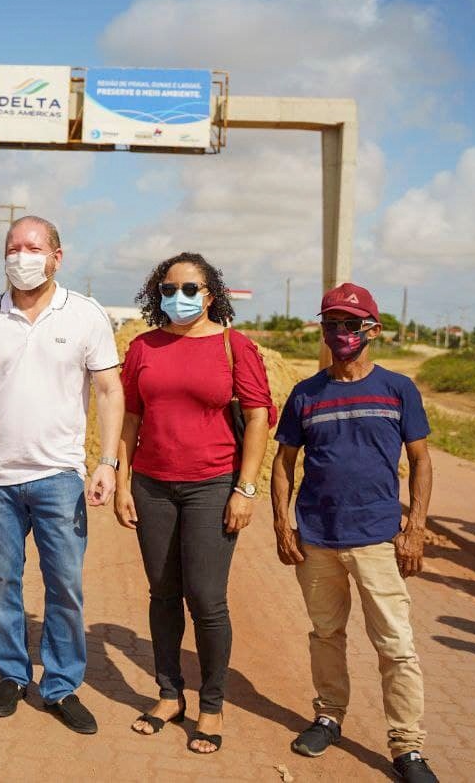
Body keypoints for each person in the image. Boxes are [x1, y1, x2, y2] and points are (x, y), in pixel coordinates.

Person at [0, 215, 125, 735]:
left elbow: (110, 391)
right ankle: (10, 674)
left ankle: (62, 684)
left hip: (59, 477)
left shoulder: (87, 315)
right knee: (1, 580)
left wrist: (107, 461)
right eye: (13, 247)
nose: (21, 257)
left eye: (33, 247)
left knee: (64, 584)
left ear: (56, 256)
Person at [271, 283, 438, 783]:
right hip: (318, 538)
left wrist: (417, 526)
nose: (340, 333)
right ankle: (329, 716)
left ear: (373, 330)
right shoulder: (306, 393)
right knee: (325, 634)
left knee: (396, 645)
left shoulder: (397, 389)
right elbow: (284, 462)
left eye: (349, 323)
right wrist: (283, 521)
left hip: (378, 538)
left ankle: (407, 747)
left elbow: (421, 459)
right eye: (331, 323)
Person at [114, 253, 276, 754]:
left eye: (188, 287)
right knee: (163, 593)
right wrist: (123, 482)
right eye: (167, 287)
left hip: (212, 486)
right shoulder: (143, 347)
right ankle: (169, 694)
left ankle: (212, 704)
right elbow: (130, 420)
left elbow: (257, 419)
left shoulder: (235, 346)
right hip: (153, 485)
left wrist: (244, 490)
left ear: (210, 294)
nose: (177, 296)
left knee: (206, 598)